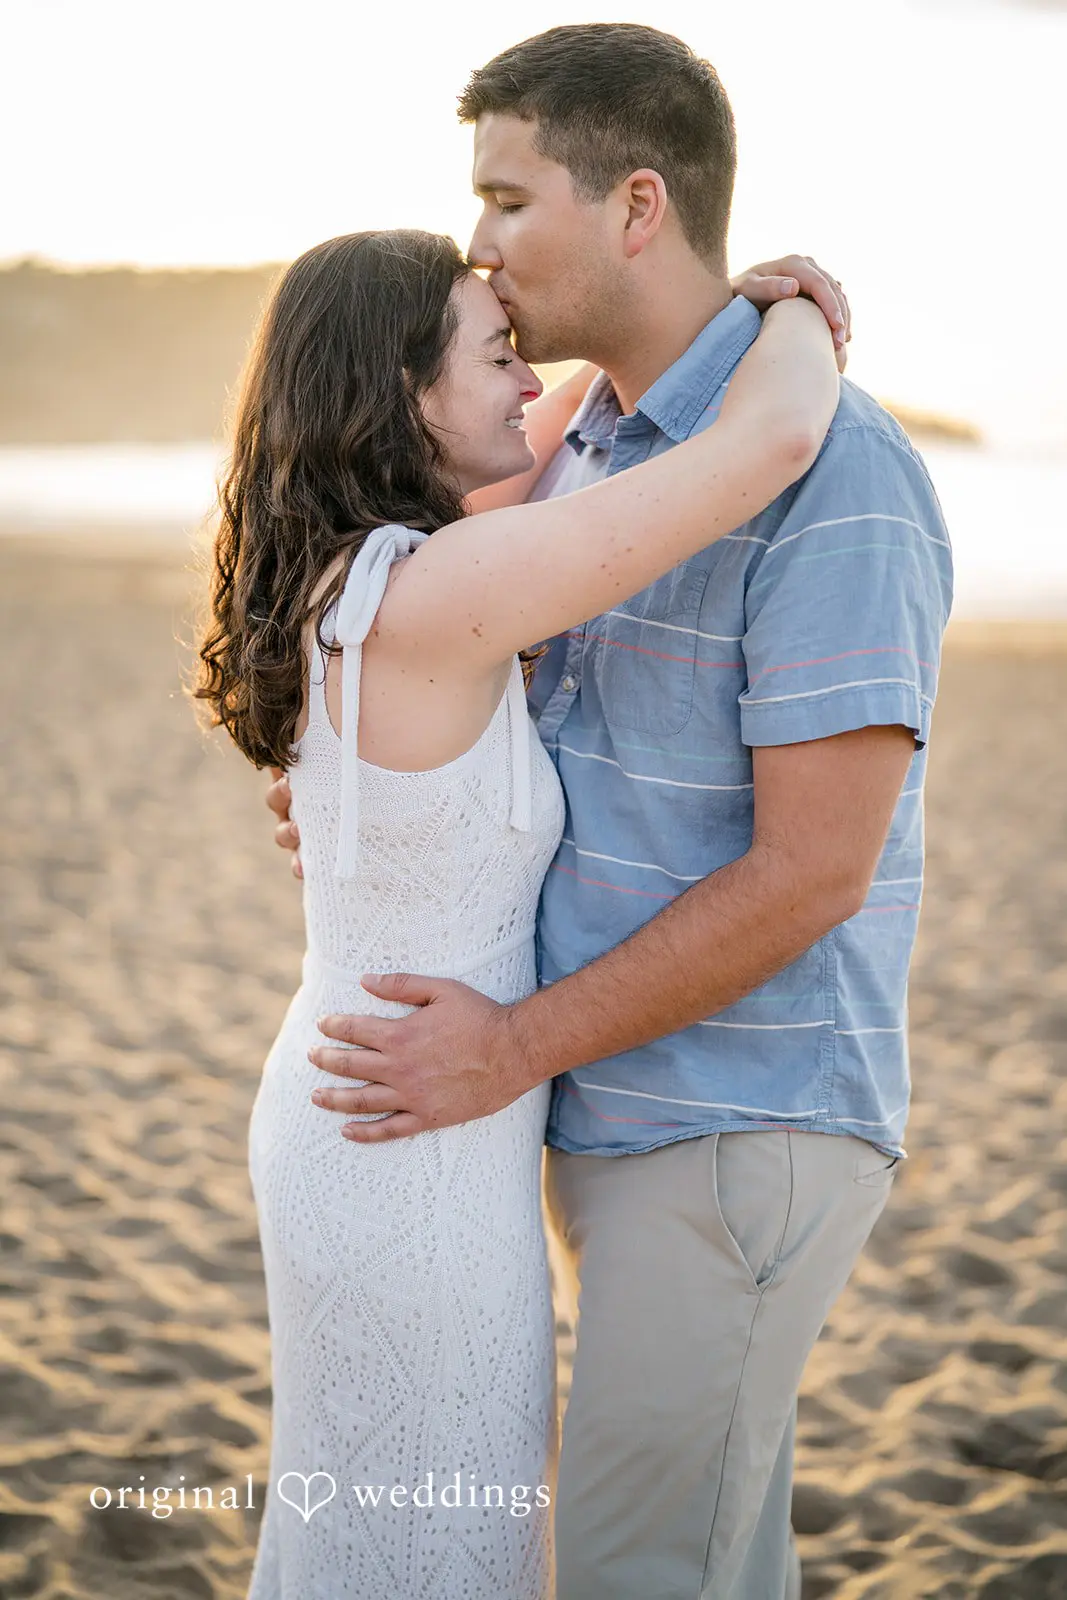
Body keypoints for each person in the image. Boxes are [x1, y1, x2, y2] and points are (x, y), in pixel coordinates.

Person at [269, 24, 954, 1600]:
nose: (479, 245)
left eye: (509, 201)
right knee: (694, 1553)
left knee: (649, 1566)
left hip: (733, 1113)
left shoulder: (833, 471)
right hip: (585, 1095)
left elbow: (812, 876)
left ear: (636, 205)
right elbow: (411, 661)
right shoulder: (570, 441)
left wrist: (512, 1045)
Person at [194, 222, 839, 1599]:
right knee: (434, 1540)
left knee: (402, 1529)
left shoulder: (374, 573)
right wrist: (784, 308)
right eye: (493, 356)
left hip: (383, 1103)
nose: (525, 374)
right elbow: (766, 446)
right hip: (404, 1132)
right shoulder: (440, 590)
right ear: (402, 393)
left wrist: (660, 318)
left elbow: (537, 434)